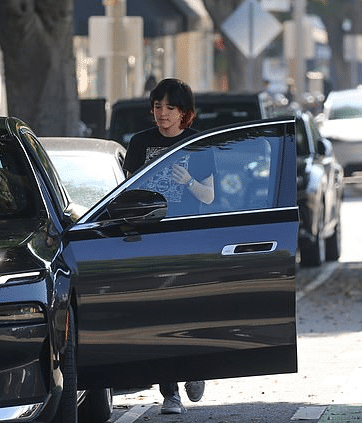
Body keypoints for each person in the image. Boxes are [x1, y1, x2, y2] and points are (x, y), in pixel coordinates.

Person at [122, 77, 211, 415]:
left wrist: (188, 180)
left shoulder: (198, 144)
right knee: (159, 315)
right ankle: (169, 392)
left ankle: (195, 367)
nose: (162, 113)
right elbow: (126, 189)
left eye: (169, 108)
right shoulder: (140, 142)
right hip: (150, 238)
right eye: (157, 106)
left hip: (188, 238)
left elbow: (209, 196)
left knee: (188, 310)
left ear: (183, 112)